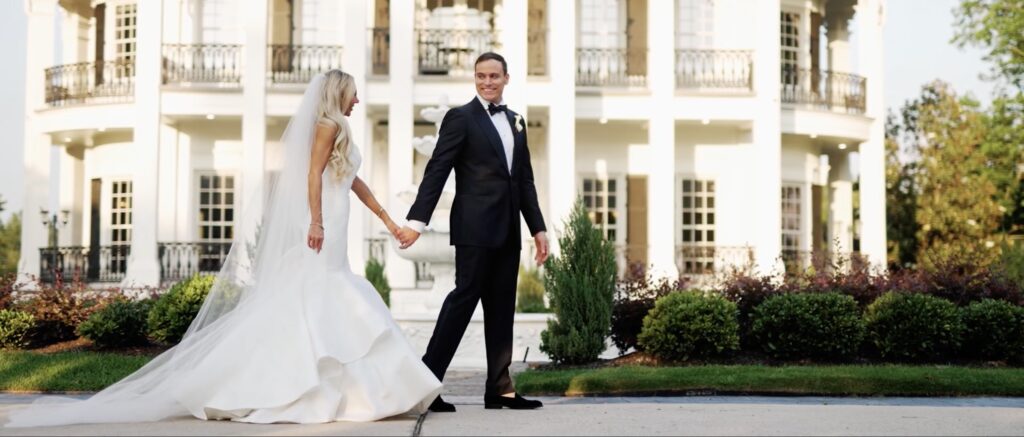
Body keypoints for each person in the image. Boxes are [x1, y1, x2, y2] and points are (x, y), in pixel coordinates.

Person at [4, 70, 442, 427]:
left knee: (326, 289)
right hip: (324, 221)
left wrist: (388, 220)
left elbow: (353, 180)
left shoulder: (340, 127)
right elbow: (312, 176)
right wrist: (315, 220)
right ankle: (299, 384)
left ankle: (347, 386)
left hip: (337, 217)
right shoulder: (328, 125)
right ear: (338, 94)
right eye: (353, 94)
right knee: (322, 290)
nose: (358, 101)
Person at [395, 52, 549, 412]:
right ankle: (427, 385)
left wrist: (538, 228)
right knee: (462, 302)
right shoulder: (460, 118)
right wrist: (416, 223)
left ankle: (500, 388)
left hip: (509, 230)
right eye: (481, 76)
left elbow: (523, 179)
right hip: (474, 228)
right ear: (475, 79)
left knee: (501, 308)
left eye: (494, 76)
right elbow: (437, 170)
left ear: (506, 78)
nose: (487, 82)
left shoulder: (517, 121)